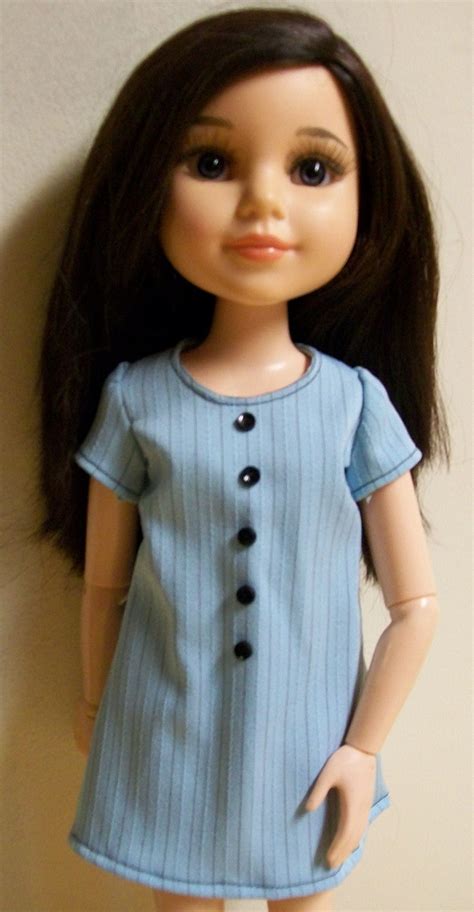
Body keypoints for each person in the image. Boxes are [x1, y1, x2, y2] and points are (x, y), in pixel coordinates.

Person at [37, 7, 449, 911]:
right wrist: (98, 704)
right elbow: (105, 586)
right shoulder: (137, 399)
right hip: (167, 735)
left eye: (313, 169)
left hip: (311, 748)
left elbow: (415, 607)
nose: (264, 204)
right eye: (213, 163)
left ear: (370, 198)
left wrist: (362, 747)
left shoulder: (352, 404)